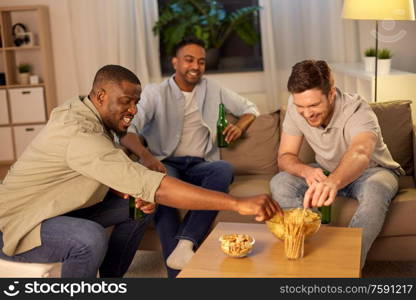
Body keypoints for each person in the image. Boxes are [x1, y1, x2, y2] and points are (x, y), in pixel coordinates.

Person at [0, 65, 280, 278]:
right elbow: (157, 185)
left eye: (136, 102)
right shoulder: (78, 132)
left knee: (138, 207)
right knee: (88, 238)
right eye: (126, 101)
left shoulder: (87, 111)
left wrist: (123, 187)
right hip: (17, 224)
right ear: (100, 96)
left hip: (55, 209)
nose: (133, 110)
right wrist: (237, 203)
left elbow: (100, 165)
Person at [120, 37, 260, 277]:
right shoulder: (155, 93)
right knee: (160, 187)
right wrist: (146, 157)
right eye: (189, 60)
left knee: (224, 169)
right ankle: (179, 277)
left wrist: (241, 126)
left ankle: (185, 243)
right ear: (175, 62)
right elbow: (127, 130)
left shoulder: (213, 89)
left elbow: (251, 108)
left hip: (201, 164)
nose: (196, 66)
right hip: (167, 163)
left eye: (201, 61)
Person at [270, 60, 404, 267]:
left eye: (314, 105)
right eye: (300, 106)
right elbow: (285, 155)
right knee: (280, 183)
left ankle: (344, 268)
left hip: (373, 171)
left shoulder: (358, 111)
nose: (306, 113)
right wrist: (305, 170)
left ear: (331, 94)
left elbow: (360, 152)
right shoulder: (295, 106)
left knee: (375, 191)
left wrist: (333, 182)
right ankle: (316, 252)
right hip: (327, 172)